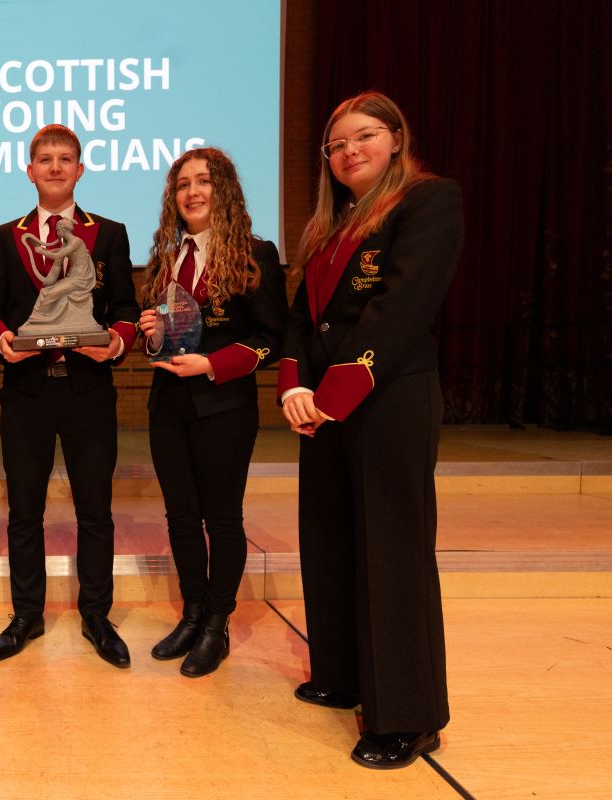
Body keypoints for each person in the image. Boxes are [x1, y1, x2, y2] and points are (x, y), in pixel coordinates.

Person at [278, 91, 463, 768]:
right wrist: (294, 386)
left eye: (364, 136)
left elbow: (400, 308)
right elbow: (301, 321)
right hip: (325, 408)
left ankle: (408, 717)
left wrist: (331, 395)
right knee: (330, 541)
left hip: (387, 400)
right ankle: (344, 675)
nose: (349, 151)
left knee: (390, 553)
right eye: (337, 144)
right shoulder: (330, 226)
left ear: (395, 138)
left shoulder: (429, 201)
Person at [0, 124, 140, 667]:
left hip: (89, 389)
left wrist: (117, 341)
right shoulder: (4, 236)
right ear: (29, 171)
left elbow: (125, 307)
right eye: (44, 159)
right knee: (24, 511)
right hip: (25, 391)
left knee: (96, 510)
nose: (54, 167)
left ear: (79, 169)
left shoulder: (109, 233)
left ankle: (97, 614)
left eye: (64, 159)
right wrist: (0, 339)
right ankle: (27, 614)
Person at [137, 147, 286, 677]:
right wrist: (151, 335)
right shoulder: (166, 258)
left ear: (224, 190)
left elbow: (271, 339)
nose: (193, 192)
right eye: (183, 184)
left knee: (221, 519)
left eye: (203, 181)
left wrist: (213, 364)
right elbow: (162, 335)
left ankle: (217, 624)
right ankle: (193, 613)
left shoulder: (254, 254)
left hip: (224, 405)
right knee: (180, 517)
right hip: (168, 406)